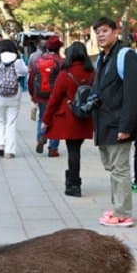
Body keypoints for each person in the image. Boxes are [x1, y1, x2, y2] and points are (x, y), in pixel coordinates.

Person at [91, 17, 137, 227]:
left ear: (116, 32)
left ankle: (123, 213)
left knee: (120, 168)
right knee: (112, 167)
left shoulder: (126, 56)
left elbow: (133, 94)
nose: (101, 35)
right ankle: (117, 207)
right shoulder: (103, 58)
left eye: (105, 31)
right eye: (98, 32)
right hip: (104, 122)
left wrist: (126, 126)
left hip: (119, 123)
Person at [41, 41, 94, 196]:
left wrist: (46, 120)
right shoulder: (92, 73)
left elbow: (54, 99)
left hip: (70, 118)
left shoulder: (65, 74)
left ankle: (74, 183)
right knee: (76, 149)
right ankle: (73, 179)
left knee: (73, 151)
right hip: (86, 116)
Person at [0, 39, 29, 158]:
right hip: (14, 94)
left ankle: (0, 144)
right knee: (11, 122)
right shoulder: (17, 60)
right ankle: (9, 151)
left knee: (0, 120)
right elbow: (25, 71)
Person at [28, 35, 64, 156]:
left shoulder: (38, 60)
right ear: (59, 48)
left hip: (41, 96)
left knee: (42, 118)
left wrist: (33, 95)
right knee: (56, 121)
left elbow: (31, 79)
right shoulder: (61, 62)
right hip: (57, 97)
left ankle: (41, 137)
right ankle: (53, 149)